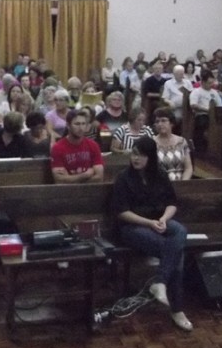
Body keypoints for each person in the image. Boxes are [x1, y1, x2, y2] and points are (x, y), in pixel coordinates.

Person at [111, 136, 192, 332]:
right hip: (132, 227)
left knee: (180, 230)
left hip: (158, 221)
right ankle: (177, 309)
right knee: (175, 252)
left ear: (150, 157)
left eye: (141, 155)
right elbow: (121, 212)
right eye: (134, 154)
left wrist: (164, 219)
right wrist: (149, 223)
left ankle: (160, 282)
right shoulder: (124, 178)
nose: (136, 159)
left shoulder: (160, 175)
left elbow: (172, 202)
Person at [50, 109, 104, 183]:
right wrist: (85, 175)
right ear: (68, 126)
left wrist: (70, 178)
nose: (81, 128)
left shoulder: (93, 145)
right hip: (65, 193)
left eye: (83, 124)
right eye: (77, 124)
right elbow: (59, 180)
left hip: (90, 191)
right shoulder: (58, 148)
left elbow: (99, 177)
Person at [152, 108, 193, 181]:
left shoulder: (181, 142)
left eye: (163, 120)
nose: (160, 124)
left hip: (181, 184)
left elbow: (188, 168)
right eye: (157, 121)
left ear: (171, 123)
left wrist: (183, 183)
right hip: (160, 185)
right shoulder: (151, 143)